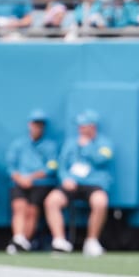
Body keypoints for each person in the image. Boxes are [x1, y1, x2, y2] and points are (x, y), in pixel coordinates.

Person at [44, 109, 113, 257]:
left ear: (92, 127)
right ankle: (59, 240)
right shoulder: (70, 143)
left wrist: (87, 147)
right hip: (72, 183)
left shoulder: (104, 143)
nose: (80, 129)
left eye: (83, 126)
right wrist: (65, 179)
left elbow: (103, 159)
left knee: (100, 202)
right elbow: (61, 165)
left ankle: (92, 241)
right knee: (51, 201)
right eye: (79, 126)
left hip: (94, 184)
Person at [5, 109, 59, 255]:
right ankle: (18, 238)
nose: (37, 127)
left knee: (31, 210)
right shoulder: (18, 144)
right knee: (19, 207)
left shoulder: (50, 146)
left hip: (40, 184)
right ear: (30, 125)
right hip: (19, 183)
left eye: (40, 124)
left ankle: (24, 242)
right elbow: (11, 166)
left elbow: (52, 166)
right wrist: (20, 178)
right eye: (35, 124)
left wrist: (32, 178)